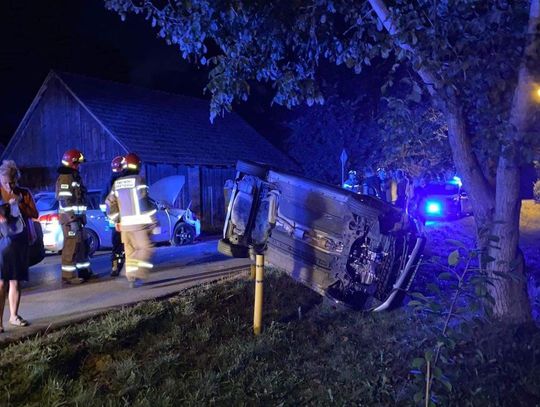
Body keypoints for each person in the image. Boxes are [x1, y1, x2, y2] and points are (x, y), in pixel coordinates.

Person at [106, 153, 157, 287]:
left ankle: (131, 279)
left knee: (130, 251)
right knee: (146, 249)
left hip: (124, 226)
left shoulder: (117, 184)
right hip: (138, 225)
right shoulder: (139, 180)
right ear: (137, 166)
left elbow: (109, 203)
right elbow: (143, 202)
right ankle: (133, 272)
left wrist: (117, 220)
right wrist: (153, 220)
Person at [0, 160, 38, 330]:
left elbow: (34, 213)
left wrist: (20, 203)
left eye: (12, 181)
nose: (9, 185)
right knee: (1, 282)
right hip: (1, 243)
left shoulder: (24, 193)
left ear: (17, 180)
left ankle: (14, 316)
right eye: (5, 181)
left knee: (15, 280)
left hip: (19, 242)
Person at [56, 149, 93, 284]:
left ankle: (84, 272)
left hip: (77, 219)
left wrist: (81, 216)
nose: (79, 166)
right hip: (69, 220)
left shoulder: (74, 176)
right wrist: (72, 219)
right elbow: (64, 200)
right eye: (78, 163)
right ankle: (68, 276)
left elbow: (79, 199)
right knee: (71, 246)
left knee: (82, 246)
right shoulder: (65, 177)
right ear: (72, 163)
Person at [102, 156, 125, 277]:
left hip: (113, 221)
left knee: (116, 246)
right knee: (127, 244)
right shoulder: (123, 181)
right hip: (124, 220)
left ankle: (115, 267)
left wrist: (108, 216)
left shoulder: (109, 182)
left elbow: (103, 201)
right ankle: (125, 267)